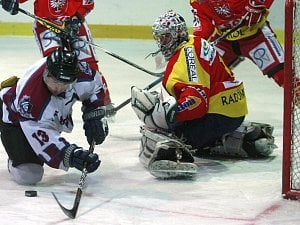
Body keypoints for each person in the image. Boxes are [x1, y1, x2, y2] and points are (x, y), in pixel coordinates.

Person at [130, 10, 276, 179]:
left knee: (164, 131)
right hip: (233, 110)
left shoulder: (185, 57)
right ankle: (241, 137)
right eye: (160, 38)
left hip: (218, 115)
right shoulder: (194, 41)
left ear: (178, 34)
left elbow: (196, 103)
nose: (162, 43)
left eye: (166, 37)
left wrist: (170, 114)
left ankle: (172, 155)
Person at [0, 47, 109, 185]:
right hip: (13, 116)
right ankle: (15, 157)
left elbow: (95, 87)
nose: (58, 88)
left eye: (65, 83)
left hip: (40, 117)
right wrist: (72, 155)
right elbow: (43, 138)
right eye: (55, 82)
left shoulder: (80, 72)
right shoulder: (30, 98)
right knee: (28, 175)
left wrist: (94, 116)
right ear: (47, 72)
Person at [1, 0, 112, 107]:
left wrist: (76, 18)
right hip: (45, 24)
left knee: (89, 65)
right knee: (55, 65)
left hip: (74, 24)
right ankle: (52, 106)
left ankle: (102, 103)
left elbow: (88, 3)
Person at [189, 0, 284, 87]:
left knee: (284, 76)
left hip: (256, 36)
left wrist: (258, 3)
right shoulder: (196, 1)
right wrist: (191, 49)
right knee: (201, 76)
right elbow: (203, 30)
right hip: (225, 42)